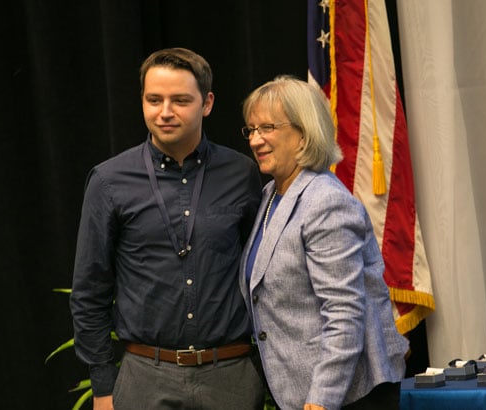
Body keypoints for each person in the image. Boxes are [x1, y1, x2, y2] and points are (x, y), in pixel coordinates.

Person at [70, 48, 264, 410]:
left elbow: (263, 275)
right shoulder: (109, 180)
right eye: (153, 99)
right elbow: (90, 289)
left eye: (180, 100)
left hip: (230, 377)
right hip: (145, 377)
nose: (165, 112)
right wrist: (102, 385)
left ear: (206, 103)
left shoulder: (242, 174)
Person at [239, 75, 409, 410]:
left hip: (346, 396)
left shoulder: (325, 202)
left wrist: (321, 399)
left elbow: (345, 312)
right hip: (300, 389)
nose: (256, 140)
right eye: (251, 130)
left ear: (302, 134)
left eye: (267, 128)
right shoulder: (271, 195)